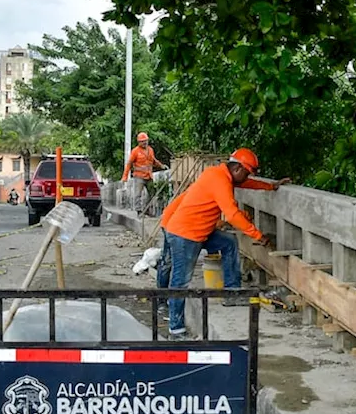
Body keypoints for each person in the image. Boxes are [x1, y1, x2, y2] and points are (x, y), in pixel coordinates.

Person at [156, 148, 290, 338]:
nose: (246, 177)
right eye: (246, 172)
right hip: (185, 235)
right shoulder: (220, 180)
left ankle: (232, 293)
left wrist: (270, 186)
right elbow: (233, 214)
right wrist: (257, 235)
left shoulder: (221, 174)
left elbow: (246, 183)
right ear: (237, 168)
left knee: (228, 242)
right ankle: (176, 329)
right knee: (181, 281)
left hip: (201, 231)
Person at [121, 132, 167, 213]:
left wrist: (161, 166)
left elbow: (154, 161)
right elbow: (129, 164)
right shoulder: (135, 151)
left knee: (152, 193)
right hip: (139, 176)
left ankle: (147, 210)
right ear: (139, 142)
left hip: (149, 176)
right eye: (142, 141)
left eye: (145, 141)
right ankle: (138, 211)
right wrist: (125, 176)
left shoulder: (150, 150)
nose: (144, 142)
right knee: (138, 194)